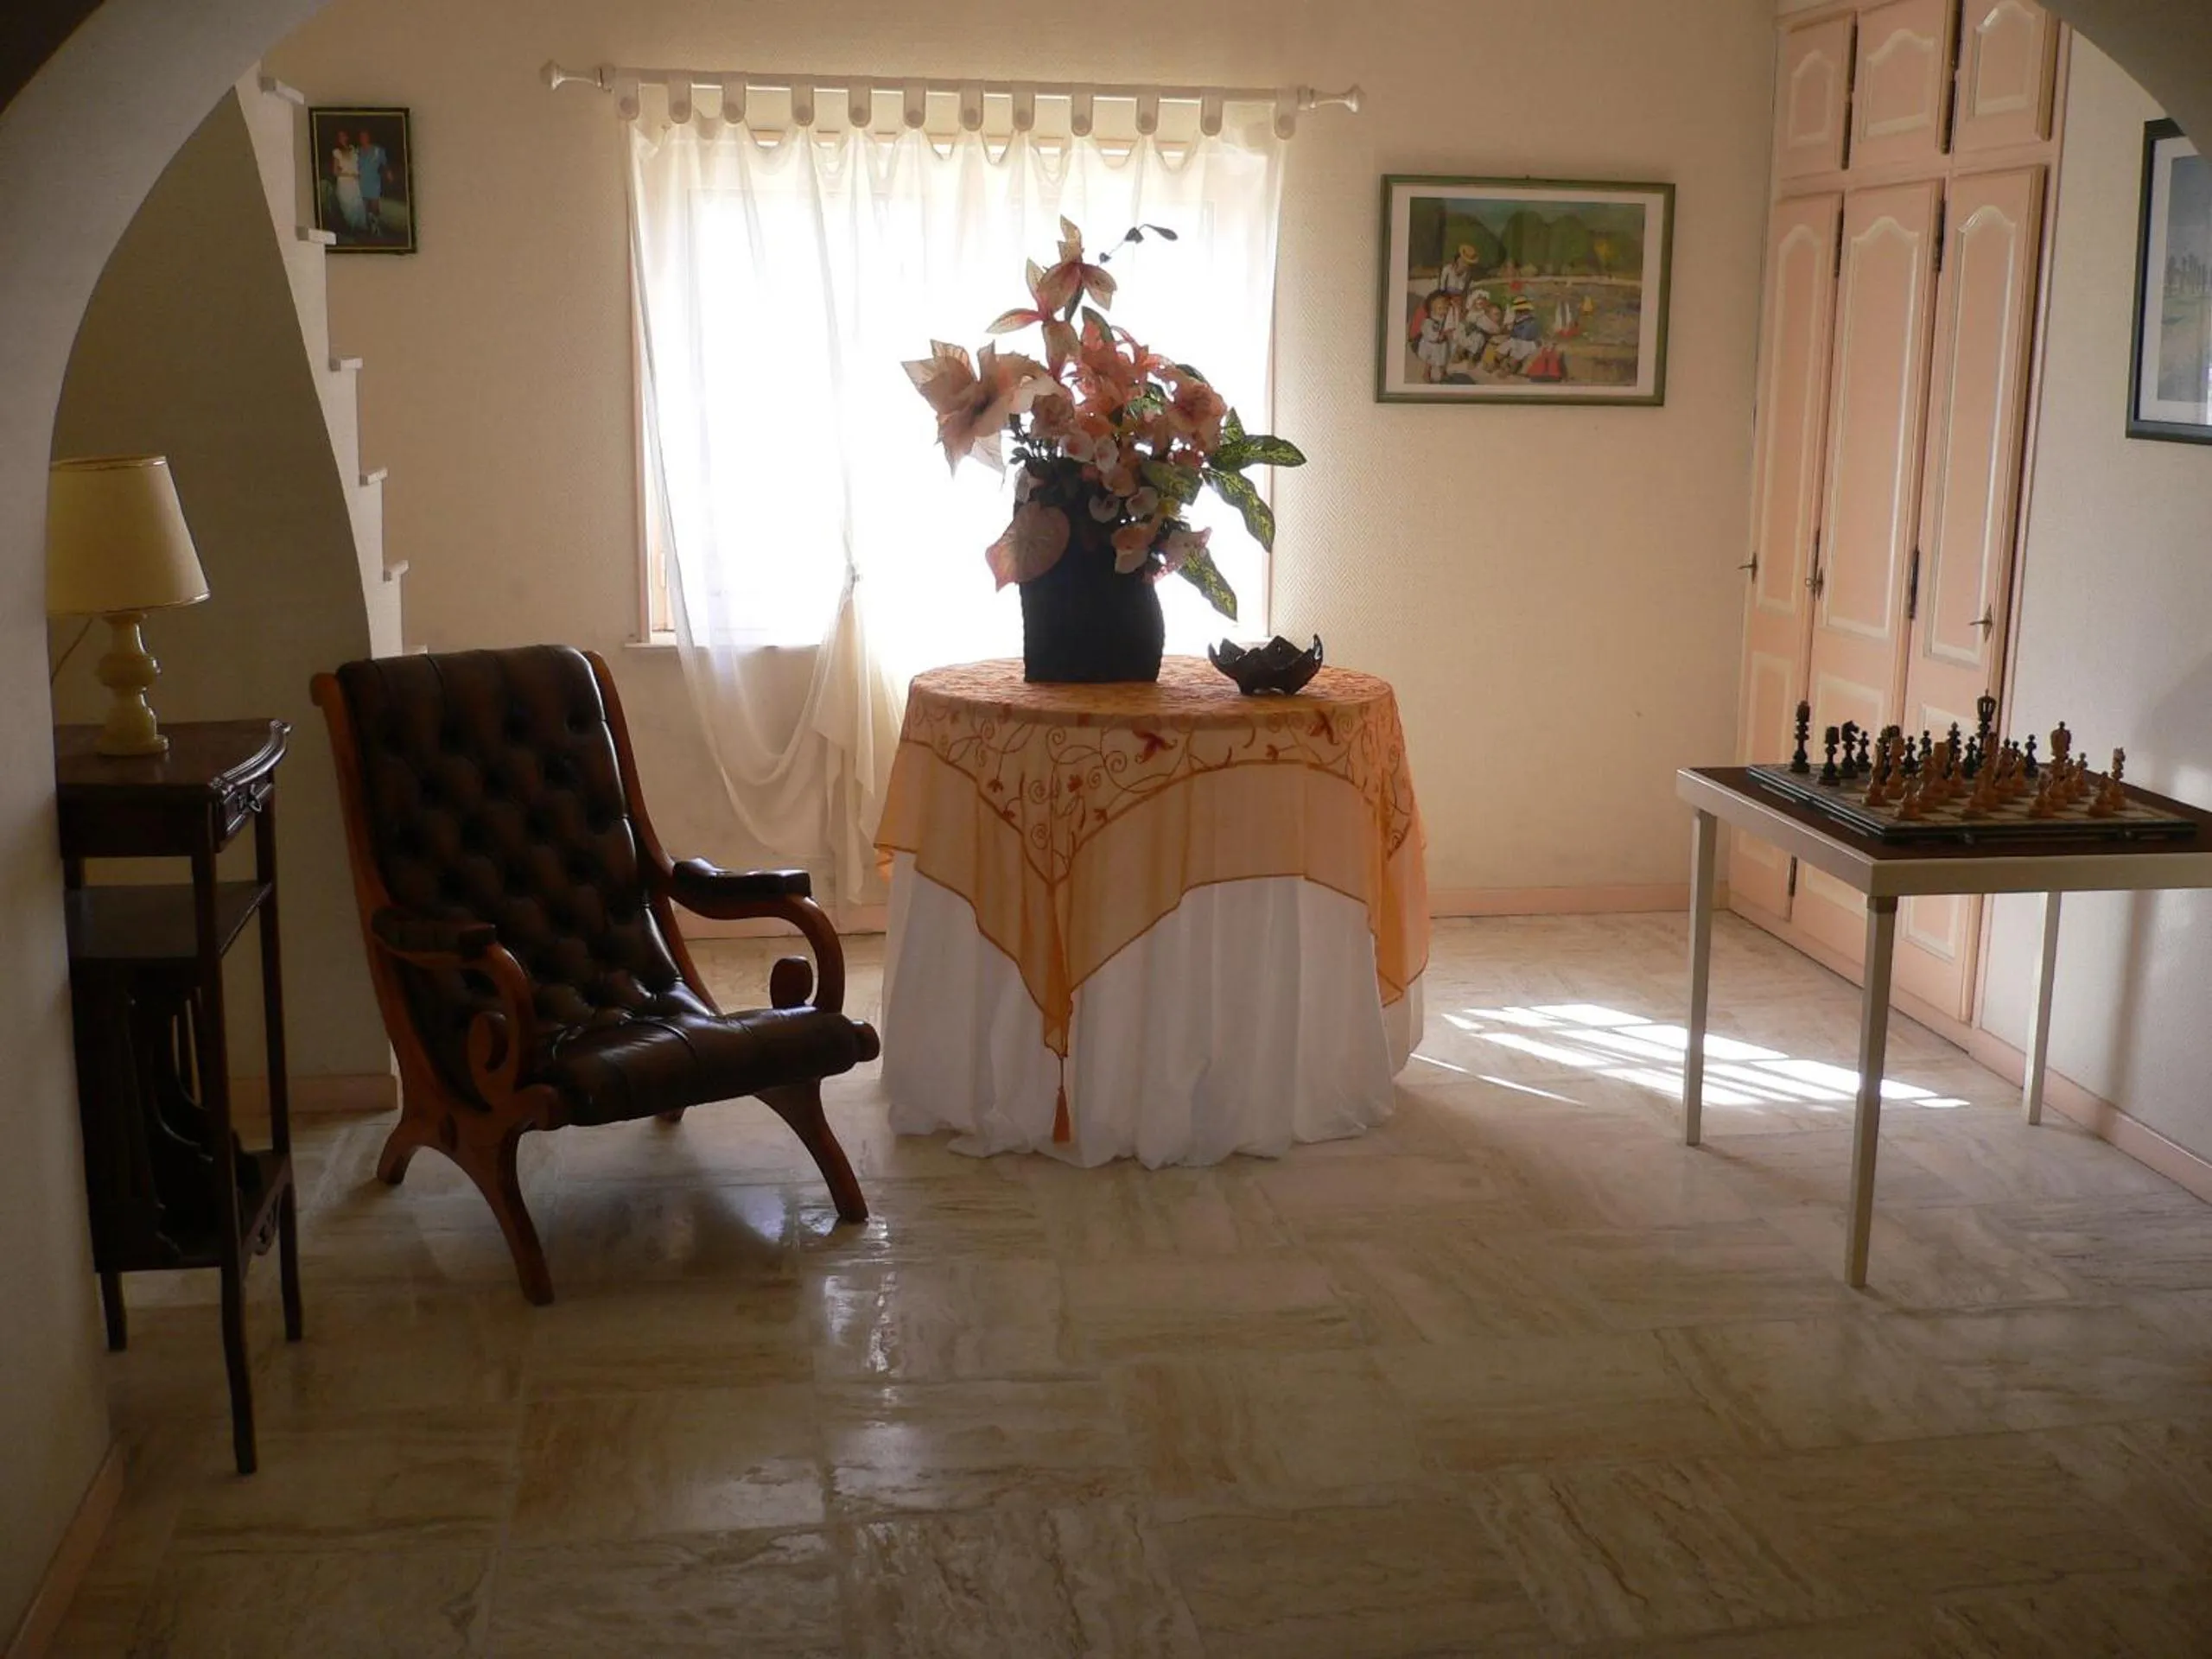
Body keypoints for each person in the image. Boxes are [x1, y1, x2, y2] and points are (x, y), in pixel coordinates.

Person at [1409, 289, 1454, 383]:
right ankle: (1426, 374)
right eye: (1440, 308)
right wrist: (1437, 337)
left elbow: (1450, 327)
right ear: (1432, 309)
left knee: (1443, 359)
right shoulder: (1429, 321)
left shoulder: (1445, 319)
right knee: (1429, 362)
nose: (1443, 311)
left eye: (1446, 309)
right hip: (1431, 346)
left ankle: (1443, 373)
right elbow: (1428, 333)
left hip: (1441, 345)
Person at [354, 128, 391, 238]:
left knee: (374, 204)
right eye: (361, 137)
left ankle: (376, 226)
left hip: (373, 181)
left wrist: (389, 173)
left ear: (369, 137)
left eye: (365, 136)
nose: (363, 139)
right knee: (364, 206)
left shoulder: (377, 150)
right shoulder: (357, 151)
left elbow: (384, 163)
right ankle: (368, 227)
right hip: (361, 182)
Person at [330, 132, 364, 232]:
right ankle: (349, 228)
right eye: (340, 136)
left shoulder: (353, 149)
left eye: (344, 135)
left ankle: (359, 228)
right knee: (347, 205)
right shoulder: (337, 152)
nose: (343, 138)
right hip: (344, 183)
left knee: (357, 203)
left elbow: (358, 164)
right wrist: (350, 175)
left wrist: (358, 174)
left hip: (355, 183)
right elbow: (335, 172)